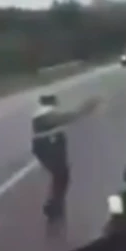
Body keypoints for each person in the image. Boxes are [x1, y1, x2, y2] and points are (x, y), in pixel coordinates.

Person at [31, 94, 99, 222]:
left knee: (60, 176)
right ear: (53, 102)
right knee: (61, 175)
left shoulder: (42, 113)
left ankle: (54, 205)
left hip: (50, 148)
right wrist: (85, 109)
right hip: (50, 148)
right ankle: (54, 207)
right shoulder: (44, 114)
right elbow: (65, 119)